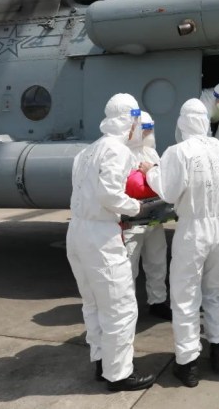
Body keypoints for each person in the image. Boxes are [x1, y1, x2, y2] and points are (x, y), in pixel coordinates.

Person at [142, 99, 219, 388]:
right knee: (216, 292)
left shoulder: (178, 151)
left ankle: (188, 364)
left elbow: (169, 192)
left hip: (193, 229)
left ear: (182, 122)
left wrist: (151, 170)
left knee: (185, 297)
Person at [66, 94, 155, 392]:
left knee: (93, 303)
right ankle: (119, 374)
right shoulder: (116, 150)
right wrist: (136, 207)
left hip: (78, 231)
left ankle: (101, 362)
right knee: (119, 307)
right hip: (100, 237)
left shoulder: (87, 151)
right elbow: (110, 195)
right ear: (130, 120)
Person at [123, 112, 172, 321]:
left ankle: (158, 301)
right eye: (146, 130)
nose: (149, 134)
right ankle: (126, 308)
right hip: (131, 221)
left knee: (157, 261)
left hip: (153, 218)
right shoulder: (122, 154)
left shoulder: (151, 153)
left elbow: (163, 180)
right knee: (128, 266)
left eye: (151, 129)